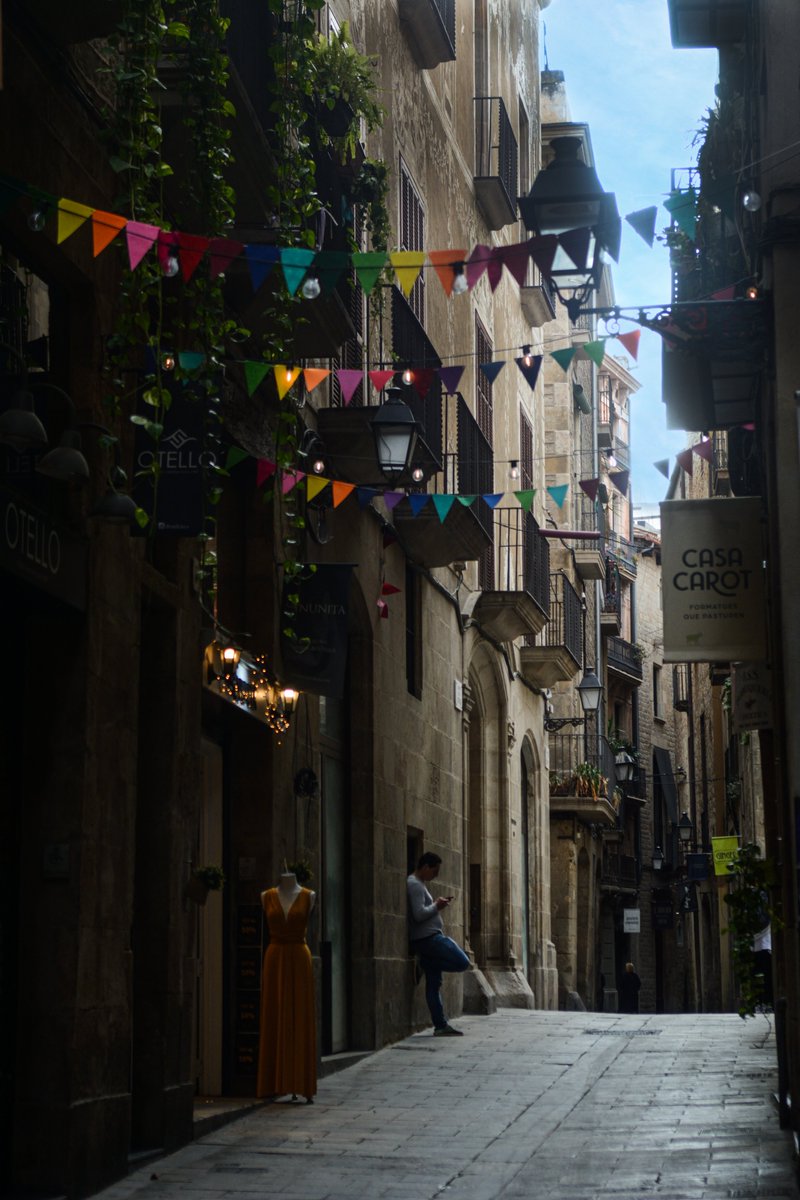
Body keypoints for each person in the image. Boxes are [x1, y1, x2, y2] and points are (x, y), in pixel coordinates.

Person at [257, 872, 317, 1102]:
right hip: (274, 957)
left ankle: (301, 1083)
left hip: (299, 956)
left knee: (300, 1016)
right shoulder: (266, 896)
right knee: (274, 1012)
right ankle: (274, 1083)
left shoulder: (309, 896)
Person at [407, 851, 470, 1036]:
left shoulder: (419, 884)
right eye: (434, 871)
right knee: (462, 962)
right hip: (430, 939)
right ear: (426, 867)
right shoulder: (414, 884)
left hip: (426, 940)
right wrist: (437, 906)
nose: (436, 876)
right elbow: (418, 914)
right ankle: (426, 962)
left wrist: (435, 904)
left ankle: (440, 1025)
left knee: (434, 985)